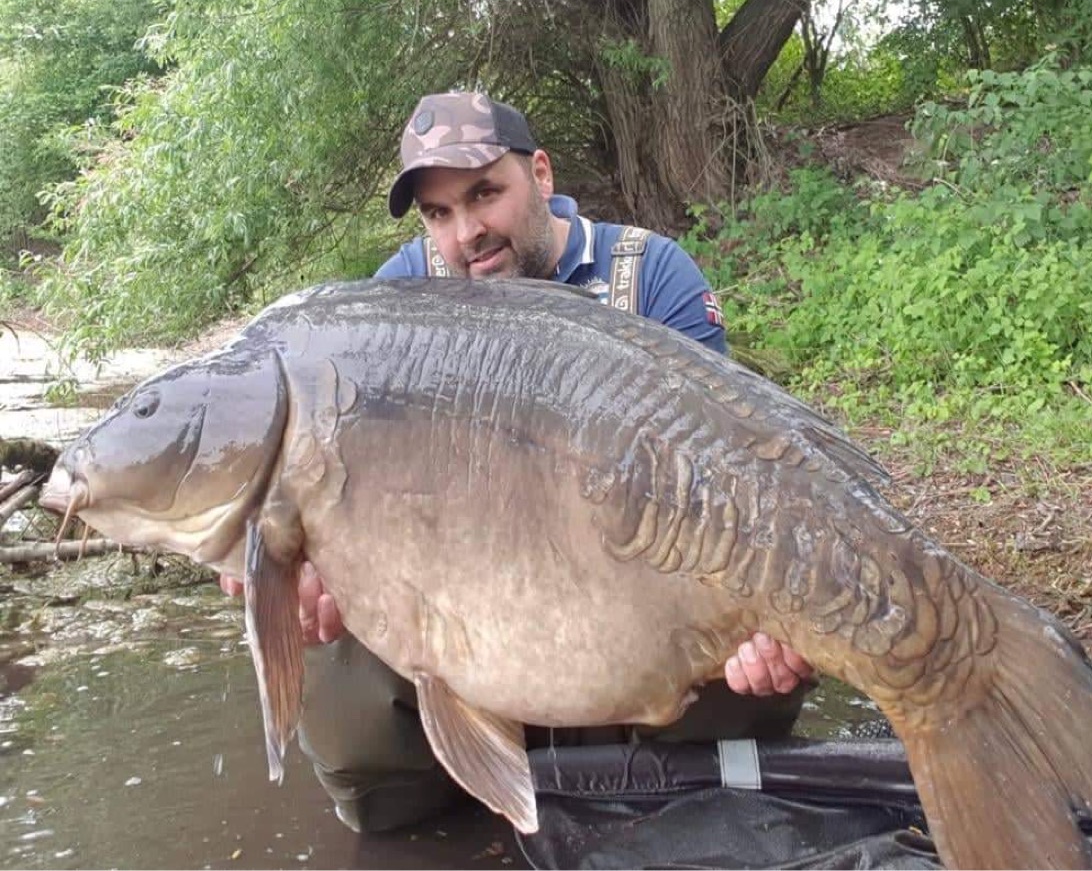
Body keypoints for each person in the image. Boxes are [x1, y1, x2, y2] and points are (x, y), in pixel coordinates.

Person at [223, 91, 815, 833]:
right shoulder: (394, 302)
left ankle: (649, 786)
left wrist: (769, 610)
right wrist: (314, 565)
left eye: (484, 194)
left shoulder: (647, 274)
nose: (466, 233)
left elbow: (730, 475)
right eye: (438, 214)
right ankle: (476, 788)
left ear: (539, 172)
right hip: (468, 599)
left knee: (752, 673)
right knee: (356, 737)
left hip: (625, 593)